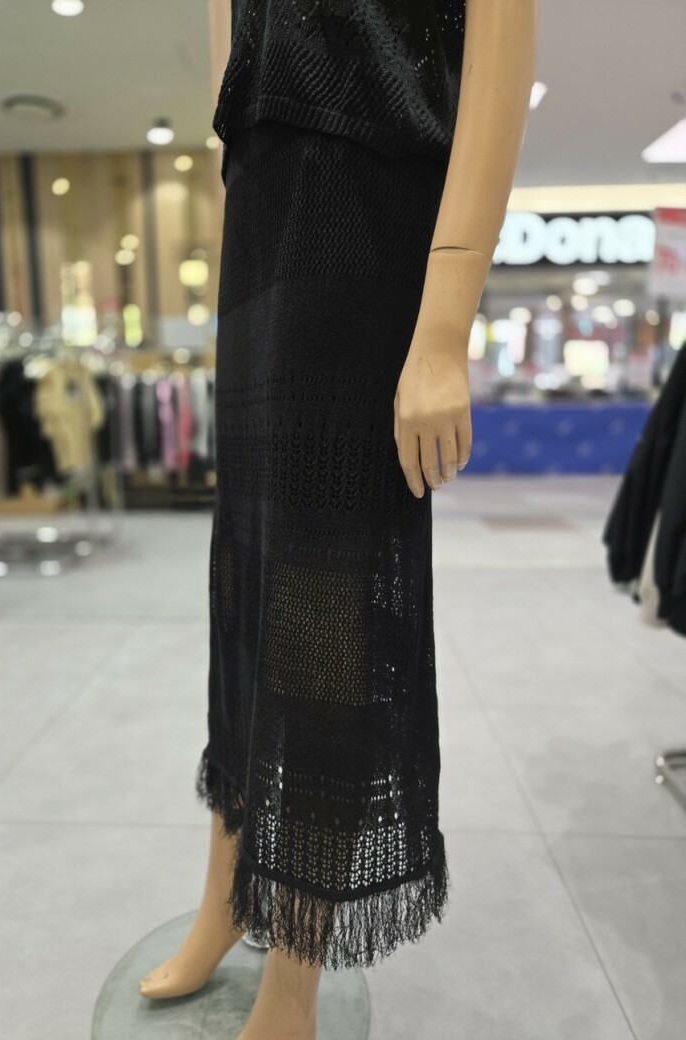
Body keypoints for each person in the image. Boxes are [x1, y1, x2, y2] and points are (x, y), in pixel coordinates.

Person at [139, 2, 537, 1036]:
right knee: (246, 588)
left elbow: (499, 44)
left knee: (326, 620)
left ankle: (295, 977)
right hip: (258, 216)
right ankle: (231, 894)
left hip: (365, 211)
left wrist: (443, 327)